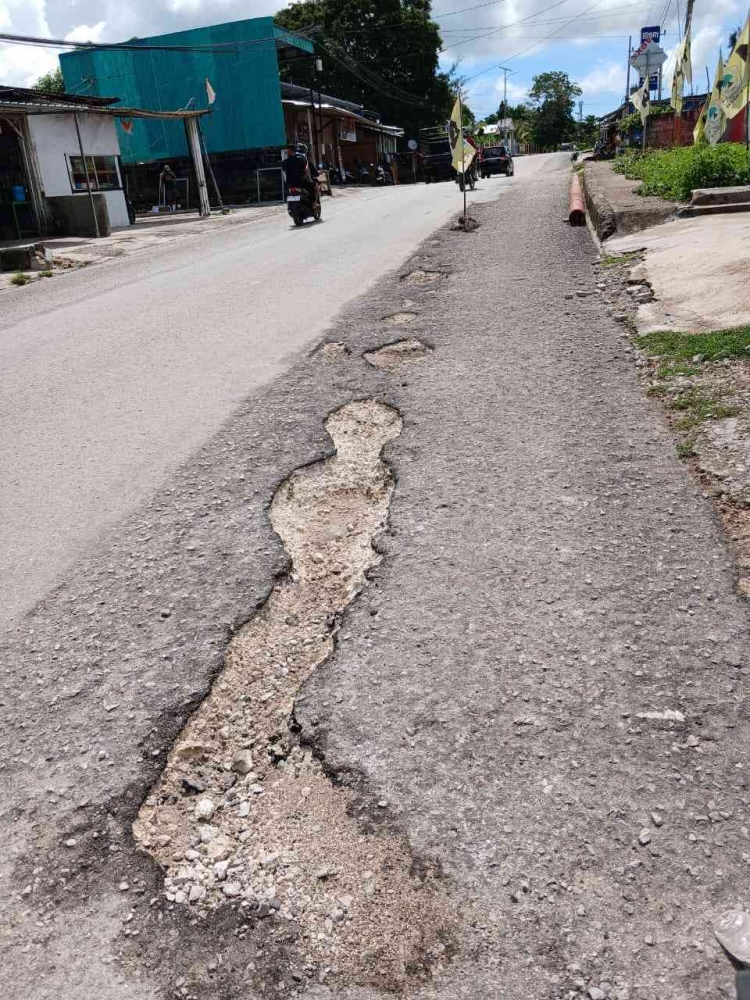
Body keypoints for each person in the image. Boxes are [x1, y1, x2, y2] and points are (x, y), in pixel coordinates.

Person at [282, 143, 319, 208]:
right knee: (315, 186)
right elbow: (306, 170)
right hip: (301, 182)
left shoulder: (285, 161)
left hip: (289, 184)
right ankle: (314, 204)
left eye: (287, 151)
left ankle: (290, 206)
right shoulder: (302, 160)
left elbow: (284, 170)